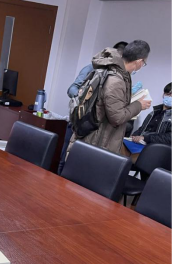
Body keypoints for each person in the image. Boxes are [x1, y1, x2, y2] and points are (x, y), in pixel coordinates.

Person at [67, 40, 152, 155]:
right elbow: (117, 117)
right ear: (139, 61)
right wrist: (138, 105)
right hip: (97, 141)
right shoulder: (116, 80)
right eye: (144, 63)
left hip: (92, 136)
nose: (142, 65)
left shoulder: (111, 71)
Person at [58, 41, 128, 174]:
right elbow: (71, 89)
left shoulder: (120, 77)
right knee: (65, 160)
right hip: (79, 122)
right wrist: (81, 96)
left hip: (95, 129)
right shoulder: (92, 68)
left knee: (82, 168)